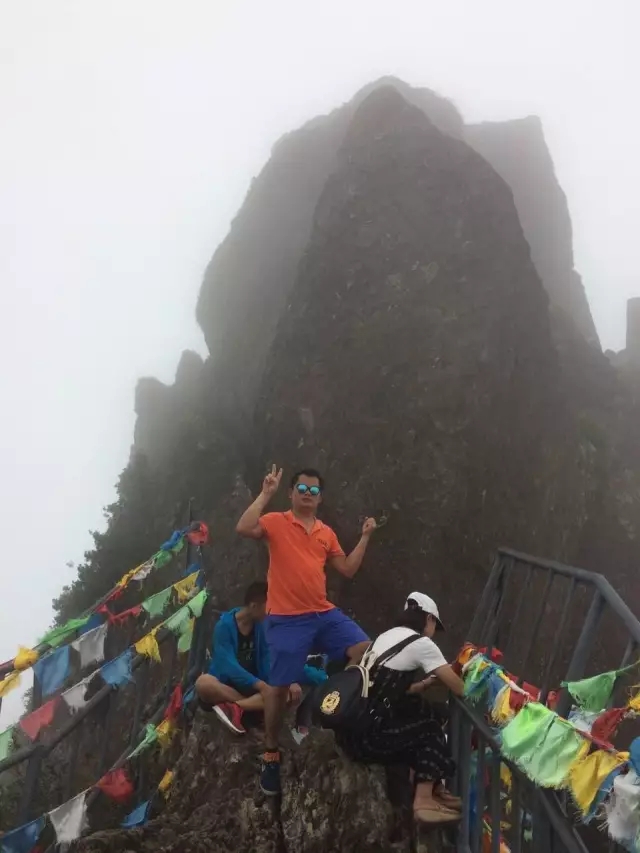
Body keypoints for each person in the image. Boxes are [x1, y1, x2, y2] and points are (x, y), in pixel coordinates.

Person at [236, 466, 377, 795]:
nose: (307, 495)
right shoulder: (276, 522)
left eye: (314, 491)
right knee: (278, 689)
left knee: (365, 650)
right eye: (302, 489)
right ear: (291, 493)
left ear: (320, 498)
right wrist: (265, 494)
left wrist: (365, 537)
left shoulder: (326, 533)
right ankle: (271, 754)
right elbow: (243, 527)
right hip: (286, 619)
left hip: (322, 613)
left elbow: (347, 569)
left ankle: (335, 709)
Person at [336, 592, 465, 825]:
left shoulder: (385, 637)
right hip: (369, 740)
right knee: (430, 729)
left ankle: (435, 787)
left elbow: (390, 690)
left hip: (352, 733)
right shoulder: (421, 643)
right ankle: (423, 801)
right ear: (429, 619)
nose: (434, 631)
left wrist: (424, 684)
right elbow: (459, 688)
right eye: (435, 625)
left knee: (423, 708)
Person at [195, 581, 327, 734]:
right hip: (229, 688)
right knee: (203, 683)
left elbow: (272, 661)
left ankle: (237, 709)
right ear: (254, 606)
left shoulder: (262, 628)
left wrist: (318, 678)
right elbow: (228, 666)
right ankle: (246, 707)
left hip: (255, 691)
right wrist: (260, 685)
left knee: (285, 693)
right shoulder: (223, 627)